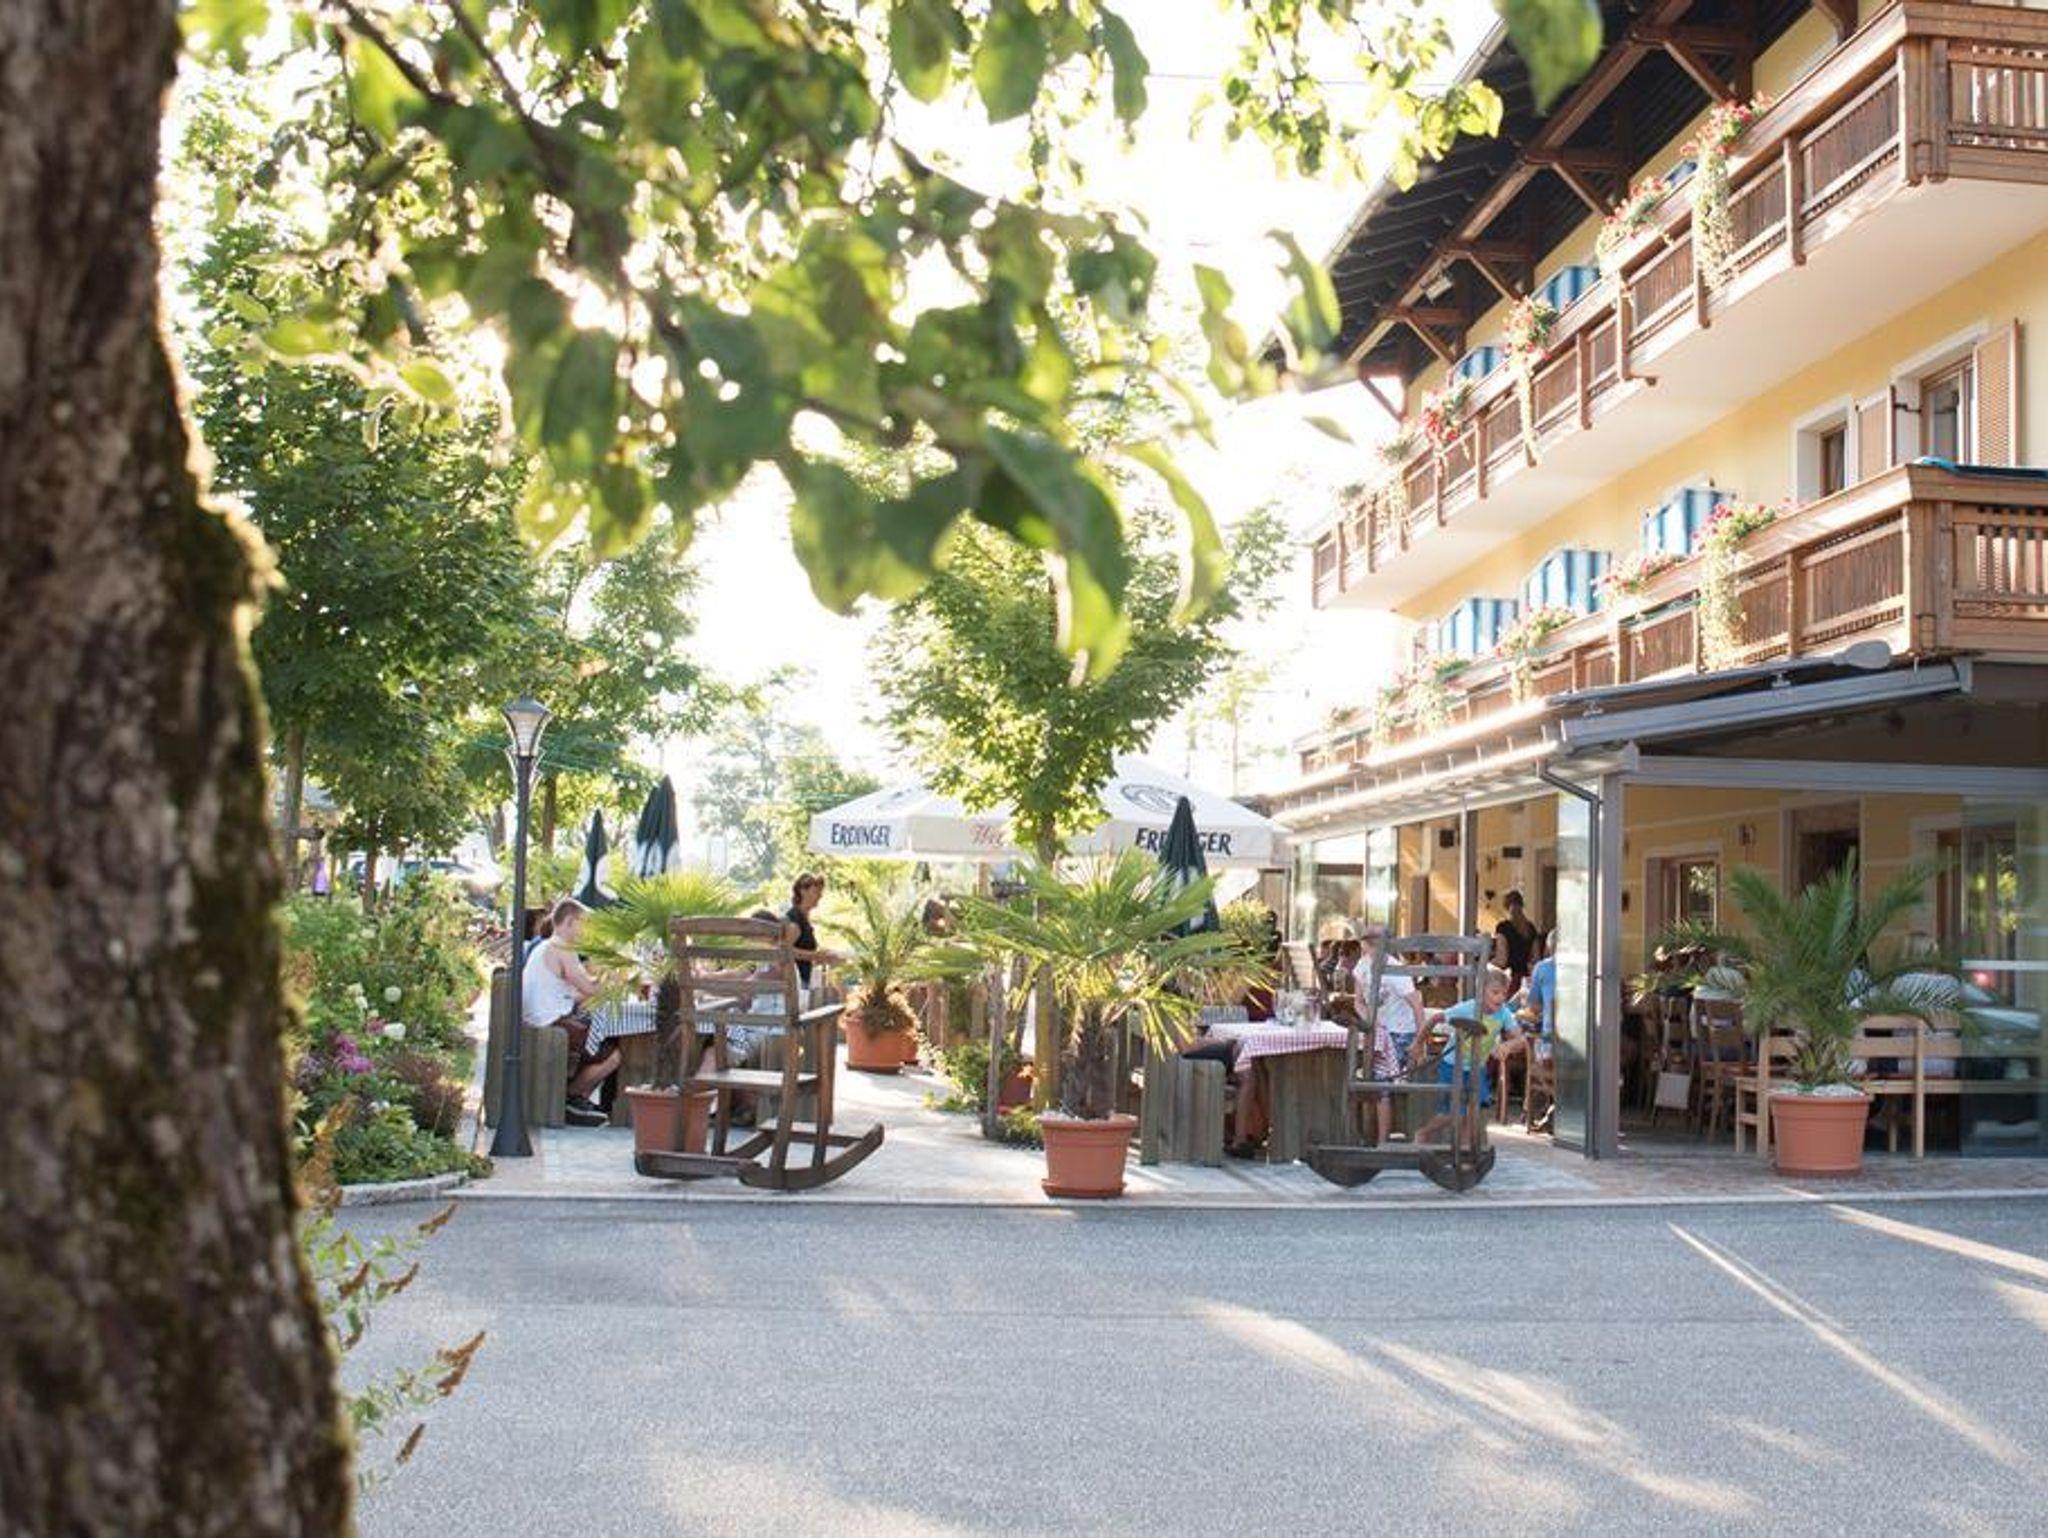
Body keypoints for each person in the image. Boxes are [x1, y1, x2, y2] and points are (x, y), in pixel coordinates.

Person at [520, 898, 617, 1126]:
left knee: (599, 1035)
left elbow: (573, 994)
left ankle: (578, 1099)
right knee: (614, 1054)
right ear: (571, 922)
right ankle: (570, 1099)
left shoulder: (546, 946)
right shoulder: (563, 948)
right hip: (550, 1023)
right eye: (585, 925)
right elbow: (591, 988)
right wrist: (611, 973)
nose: (587, 932)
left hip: (538, 1019)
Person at [1415, 966, 1516, 1147]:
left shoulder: (1504, 1013)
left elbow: (1520, 1038)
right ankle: (1424, 1132)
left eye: (1504, 993)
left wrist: (1508, 1045)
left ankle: (1464, 1149)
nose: (1500, 998)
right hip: (1453, 1065)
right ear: (1481, 992)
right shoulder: (1468, 1008)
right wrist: (1418, 1043)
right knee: (1454, 1113)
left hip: (1477, 1068)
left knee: (1473, 1111)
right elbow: (1435, 1019)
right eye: (1495, 992)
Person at [1353, 924, 1425, 1143]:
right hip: (1377, 1032)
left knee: (1381, 1079)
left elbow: (1416, 1005)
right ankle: (1367, 1133)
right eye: (1367, 940)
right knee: (1360, 1067)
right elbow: (1358, 1002)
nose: (1369, 945)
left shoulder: (1396, 971)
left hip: (1400, 1033)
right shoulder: (1362, 965)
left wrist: (1420, 1041)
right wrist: (1371, 1020)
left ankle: (1382, 1140)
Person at [784, 872, 843, 989]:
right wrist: (815, 955)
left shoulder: (805, 918)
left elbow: (803, 950)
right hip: (796, 984)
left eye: (820, 892)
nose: (820, 895)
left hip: (807, 979)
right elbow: (784, 950)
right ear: (803, 891)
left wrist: (822, 956)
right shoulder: (795, 919)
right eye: (815, 891)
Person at [1492, 889, 1544, 991]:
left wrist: (1488, 963)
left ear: (1505, 907)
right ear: (1522, 905)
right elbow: (1536, 958)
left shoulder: (1503, 928)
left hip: (1509, 981)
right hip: (1526, 981)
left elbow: (1502, 960)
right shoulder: (1530, 928)